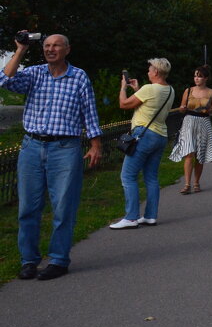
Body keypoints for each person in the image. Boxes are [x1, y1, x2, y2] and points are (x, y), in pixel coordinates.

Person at [0, 32, 102, 280]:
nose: (50, 49)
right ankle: (29, 260)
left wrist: (95, 144)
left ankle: (58, 260)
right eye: (46, 45)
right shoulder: (34, 74)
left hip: (65, 149)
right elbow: (5, 80)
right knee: (28, 208)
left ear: (67, 49)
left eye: (56, 45)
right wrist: (21, 50)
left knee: (63, 207)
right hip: (32, 147)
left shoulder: (78, 76)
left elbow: (89, 111)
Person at [109, 59, 175, 229]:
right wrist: (137, 90)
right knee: (151, 177)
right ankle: (150, 216)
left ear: (156, 72)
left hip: (144, 135)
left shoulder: (149, 89)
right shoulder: (169, 90)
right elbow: (150, 105)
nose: (148, 72)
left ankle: (131, 217)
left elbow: (124, 104)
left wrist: (123, 87)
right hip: (160, 135)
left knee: (128, 176)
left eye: (150, 69)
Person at [169, 65, 212, 194]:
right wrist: (182, 108)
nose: (196, 78)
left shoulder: (211, 92)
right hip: (189, 122)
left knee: (199, 154)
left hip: (203, 122)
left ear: (206, 78)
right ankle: (187, 184)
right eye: (195, 76)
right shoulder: (188, 91)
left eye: (200, 76)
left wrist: (209, 110)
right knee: (188, 153)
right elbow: (182, 107)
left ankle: (196, 182)